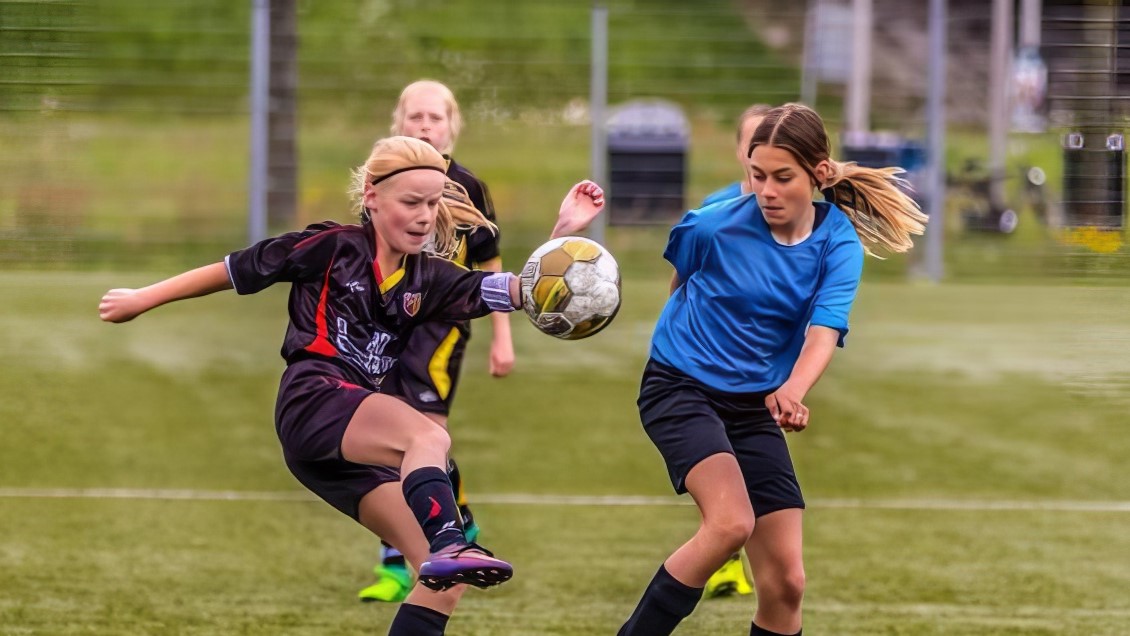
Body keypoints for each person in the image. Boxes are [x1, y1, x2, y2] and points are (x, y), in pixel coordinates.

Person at [99, 136, 605, 636]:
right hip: (313, 398)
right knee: (428, 438)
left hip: (337, 449)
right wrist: (143, 297)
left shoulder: (429, 278)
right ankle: (453, 539)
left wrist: (562, 235)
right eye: (411, 202)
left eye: (432, 203)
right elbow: (235, 270)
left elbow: (522, 290)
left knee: (440, 580)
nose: (426, 216)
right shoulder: (333, 246)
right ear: (372, 197)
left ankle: (445, 549)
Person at [618, 103, 927, 636]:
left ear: (819, 174)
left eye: (783, 178)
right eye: (757, 175)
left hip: (754, 404)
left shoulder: (838, 243)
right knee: (730, 523)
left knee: (787, 583)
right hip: (679, 387)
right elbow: (681, 286)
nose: (767, 191)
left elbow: (823, 330)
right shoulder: (711, 226)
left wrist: (793, 389)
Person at [357, 79, 511, 604]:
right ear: (399, 122)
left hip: (440, 332)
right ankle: (414, 550)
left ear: (453, 126)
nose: (425, 126)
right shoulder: (382, 184)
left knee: (423, 439)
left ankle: (435, 542)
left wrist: (502, 341)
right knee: (391, 443)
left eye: (435, 118)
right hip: (388, 329)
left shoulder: (467, 186)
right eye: (416, 117)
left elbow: (491, 268)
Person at [695, 102, 772, 600]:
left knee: (754, 472)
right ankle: (724, 559)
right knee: (717, 465)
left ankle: (746, 559)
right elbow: (684, 283)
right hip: (706, 369)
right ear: (740, 151)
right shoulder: (714, 212)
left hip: (760, 371)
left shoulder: (802, 217)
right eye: (751, 145)